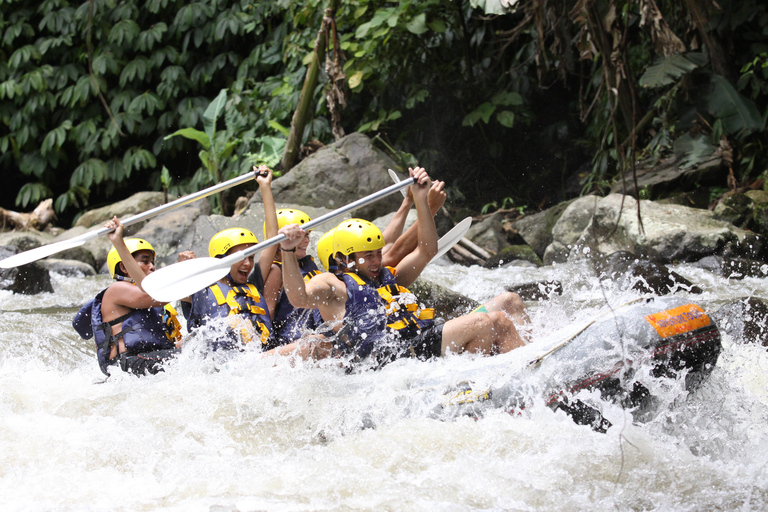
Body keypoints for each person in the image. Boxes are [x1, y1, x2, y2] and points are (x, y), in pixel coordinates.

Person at [270, 167, 528, 368]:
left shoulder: (386, 278)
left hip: (419, 341)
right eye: (367, 256)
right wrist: (289, 250)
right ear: (343, 259)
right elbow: (299, 297)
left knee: (506, 306)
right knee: (486, 322)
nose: (376, 261)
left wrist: (421, 201)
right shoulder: (333, 286)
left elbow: (426, 250)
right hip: (393, 357)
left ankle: (534, 362)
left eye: (377, 254)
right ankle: (479, 386)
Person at [183, 166, 279, 350]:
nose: (248, 263)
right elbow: (152, 293)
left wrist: (265, 187)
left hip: (257, 362)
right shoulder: (199, 290)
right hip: (222, 366)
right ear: (221, 259)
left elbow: (273, 240)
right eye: (241, 257)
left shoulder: (253, 283)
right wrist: (185, 270)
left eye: (251, 257)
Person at [72, 217, 183, 376]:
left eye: (152, 262)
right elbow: (154, 294)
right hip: (127, 363)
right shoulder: (117, 290)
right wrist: (118, 242)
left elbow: (172, 344)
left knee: (200, 351)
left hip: (148, 359)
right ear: (124, 267)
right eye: (145, 262)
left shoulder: (154, 300)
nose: (152, 266)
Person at [262, 209, 322, 346]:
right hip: (290, 342)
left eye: (307, 235)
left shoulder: (308, 265)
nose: (306, 241)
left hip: (313, 334)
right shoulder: (276, 271)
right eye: (299, 237)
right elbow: (267, 315)